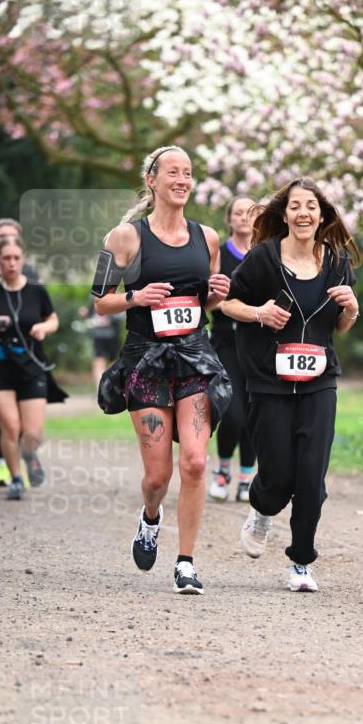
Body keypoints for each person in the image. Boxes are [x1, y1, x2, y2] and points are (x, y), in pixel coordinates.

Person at [90, 145, 232, 595]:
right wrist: (135, 297)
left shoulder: (207, 237)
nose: (182, 180)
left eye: (188, 173)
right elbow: (98, 300)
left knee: (194, 461)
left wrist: (215, 294)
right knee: (158, 476)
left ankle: (186, 562)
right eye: (173, 172)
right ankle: (150, 517)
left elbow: (206, 301)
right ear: (151, 180)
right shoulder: (124, 237)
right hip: (146, 361)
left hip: (193, 357)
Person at [223, 176, 360, 593]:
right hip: (269, 380)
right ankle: (262, 510)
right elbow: (227, 302)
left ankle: (301, 561)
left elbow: (341, 324)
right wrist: (260, 313)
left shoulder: (336, 261)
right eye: (296, 206)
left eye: (312, 206)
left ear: (322, 215)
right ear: (285, 215)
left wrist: (352, 309)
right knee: (278, 476)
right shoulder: (264, 258)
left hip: (320, 381)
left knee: (311, 476)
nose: (304, 213)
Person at [0, 236, 62, 500]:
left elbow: (52, 319)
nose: (11, 263)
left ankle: (29, 454)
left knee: (32, 432)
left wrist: (44, 327)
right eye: (6, 258)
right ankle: (16, 478)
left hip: (31, 366)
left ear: (23, 259)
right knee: (10, 426)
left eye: (16, 258)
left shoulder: (35, 291)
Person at [208, 196, 256, 503]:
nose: (243, 218)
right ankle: (223, 470)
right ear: (229, 219)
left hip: (261, 344)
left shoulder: (266, 253)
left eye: (249, 213)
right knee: (234, 412)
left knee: (255, 411)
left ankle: (246, 477)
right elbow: (211, 296)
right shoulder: (219, 254)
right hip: (226, 341)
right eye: (237, 213)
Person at [0, 218, 40, 487]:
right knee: (5, 417)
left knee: (25, 421)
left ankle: (20, 458)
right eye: (2, 238)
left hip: (25, 358)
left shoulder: (30, 278)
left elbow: (42, 312)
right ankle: (6, 465)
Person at [78, 301, 122, 390]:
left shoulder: (116, 294)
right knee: (99, 362)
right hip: (98, 335)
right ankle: (101, 390)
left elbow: (121, 314)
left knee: (113, 363)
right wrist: (84, 312)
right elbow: (90, 312)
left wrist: (109, 317)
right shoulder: (94, 295)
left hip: (112, 335)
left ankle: (113, 390)